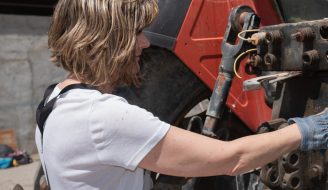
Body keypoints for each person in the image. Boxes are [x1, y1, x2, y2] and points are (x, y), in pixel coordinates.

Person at [35, 0, 328, 189]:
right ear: (107, 42)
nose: (145, 42)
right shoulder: (103, 117)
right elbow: (232, 159)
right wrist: (310, 129)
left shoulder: (54, 102)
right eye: (136, 32)